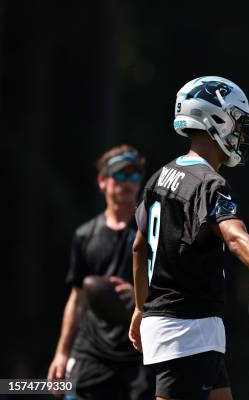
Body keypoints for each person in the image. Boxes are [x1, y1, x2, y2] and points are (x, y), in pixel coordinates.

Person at [128, 76, 249, 400]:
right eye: (238, 123)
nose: (240, 133)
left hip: (176, 322)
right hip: (187, 327)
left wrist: (141, 308)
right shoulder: (209, 183)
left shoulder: (159, 177)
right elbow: (235, 238)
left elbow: (138, 247)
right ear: (216, 118)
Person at [48, 145, 154, 399]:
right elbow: (77, 300)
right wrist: (62, 353)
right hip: (94, 350)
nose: (127, 182)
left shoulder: (152, 229)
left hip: (140, 350)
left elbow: (173, 283)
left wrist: (141, 293)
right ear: (102, 181)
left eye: (134, 176)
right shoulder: (85, 235)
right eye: (119, 175)